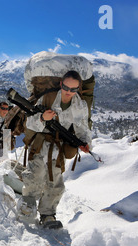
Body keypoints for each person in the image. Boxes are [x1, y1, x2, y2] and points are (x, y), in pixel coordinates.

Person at [20, 70, 91, 229]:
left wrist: (85, 143)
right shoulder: (48, 98)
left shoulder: (79, 105)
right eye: (66, 88)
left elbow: (82, 128)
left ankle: (48, 214)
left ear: (78, 88)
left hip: (58, 146)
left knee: (56, 181)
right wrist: (42, 118)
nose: (69, 92)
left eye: (73, 89)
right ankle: (27, 206)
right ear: (61, 84)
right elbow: (29, 123)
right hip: (40, 142)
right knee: (35, 175)